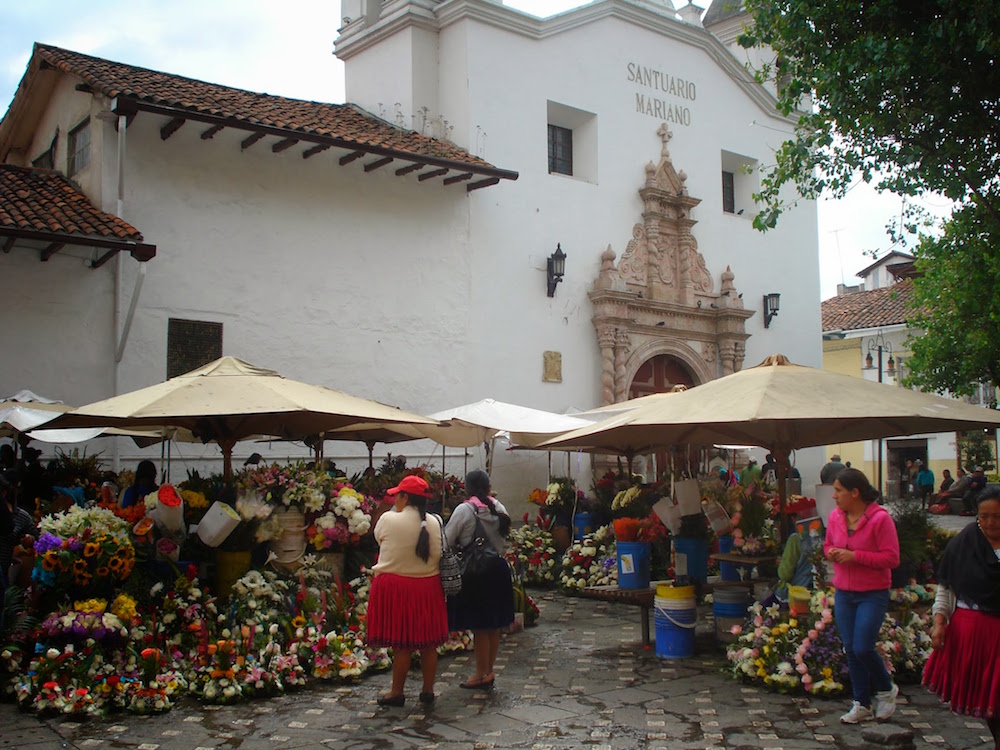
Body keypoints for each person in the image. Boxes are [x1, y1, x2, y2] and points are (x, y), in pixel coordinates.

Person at [923, 487, 1000, 749]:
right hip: (972, 635)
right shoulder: (965, 544)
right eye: (984, 516)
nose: (990, 523)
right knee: (992, 706)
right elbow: (946, 587)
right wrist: (939, 622)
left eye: (997, 517)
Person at [824, 467, 900, 724]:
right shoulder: (836, 517)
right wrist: (832, 552)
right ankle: (862, 703)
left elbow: (891, 557)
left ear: (854, 493)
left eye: (838, 490)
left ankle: (886, 689)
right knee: (851, 649)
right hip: (844, 591)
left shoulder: (880, 519)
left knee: (863, 647)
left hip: (872, 593)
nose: (834, 496)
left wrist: (855, 557)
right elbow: (827, 545)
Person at [366, 474, 448, 707]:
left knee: (401, 643)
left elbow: (380, 540)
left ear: (404, 497)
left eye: (397, 496)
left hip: (397, 587)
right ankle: (427, 690)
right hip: (428, 588)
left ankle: (397, 692)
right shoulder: (436, 522)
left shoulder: (388, 519)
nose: (395, 501)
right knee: (428, 643)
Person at [445, 469, 514, 690]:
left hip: (476, 572)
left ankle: (479, 673)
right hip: (498, 570)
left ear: (467, 487)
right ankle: (489, 670)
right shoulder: (499, 508)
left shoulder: (464, 510)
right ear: (488, 486)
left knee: (480, 627)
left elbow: (446, 541)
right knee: (492, 626)